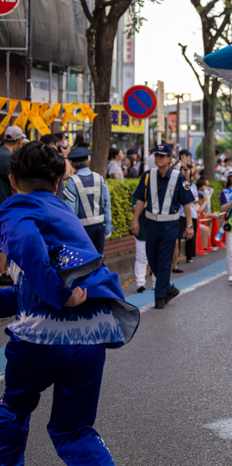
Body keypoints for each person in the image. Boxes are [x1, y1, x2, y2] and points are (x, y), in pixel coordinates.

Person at [0, 141, 139, 465]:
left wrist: (58, 295)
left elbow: (26, 245)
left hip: (41, 338)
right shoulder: (62, 212)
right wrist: (56, 292)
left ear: (12, 180)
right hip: (92, 338)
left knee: (11, 416)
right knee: (74, 430)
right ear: (58, 182)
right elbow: (25, 291)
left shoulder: (20, 205)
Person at [131, 143, 195, 309]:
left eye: (161, 156)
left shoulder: (179, 177)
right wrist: (135, 220)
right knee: (152, 259)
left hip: (170, 225)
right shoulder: (147, 176)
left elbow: (187, 203)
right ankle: (168, 289)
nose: (158, 158)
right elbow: (140, 200)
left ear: (169, 159)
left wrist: (189, 225)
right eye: (156, 155)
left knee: (165, 260)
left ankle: (159, 298)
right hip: (151, 223)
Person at [62, 147, 113, 254]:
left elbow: (71, 210)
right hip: (100, 226)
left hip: (82, 228)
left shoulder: (72, 181)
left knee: (84, 261)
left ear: (72, 165)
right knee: (98, 259)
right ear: (88, 163)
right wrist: (108, 226)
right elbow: (106, 204)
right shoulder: (100, 178)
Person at [0, 126, 25, 286]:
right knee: (3, 240)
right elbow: (14, 187)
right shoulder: (9, 159)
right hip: (5, 204)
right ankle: (2, 272)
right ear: (19, 140)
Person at [177, 164, 199, 264]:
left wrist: (189, 198)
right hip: (180, 214)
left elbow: (195, 199)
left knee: (190, 236)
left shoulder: (192, 186)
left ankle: (189, 256)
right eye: (183, 169)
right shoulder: (177, 184)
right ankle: (175, 257)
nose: (185, 172)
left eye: (187, 170)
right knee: (177, 235)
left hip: (192, 213)